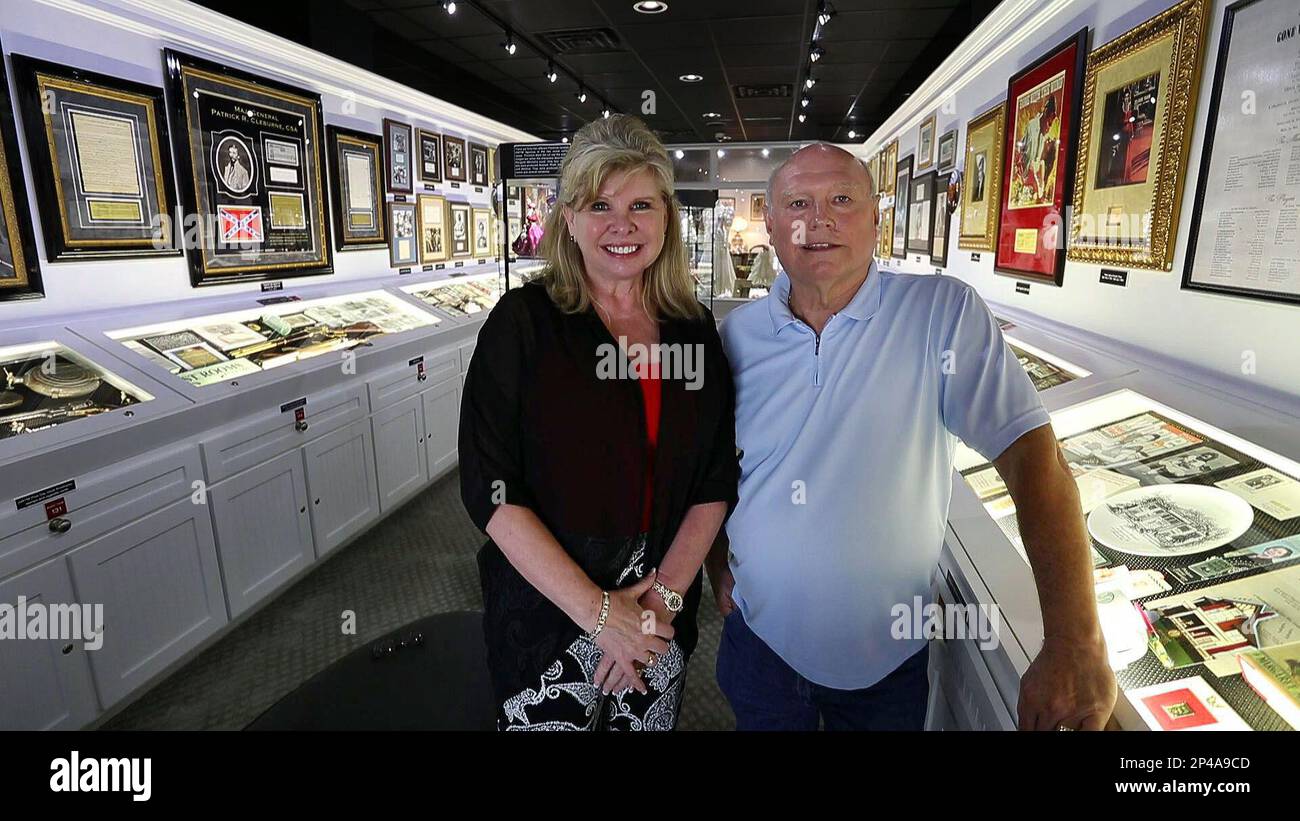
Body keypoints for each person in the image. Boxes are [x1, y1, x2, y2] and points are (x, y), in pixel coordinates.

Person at [709, 142, 1115, 731]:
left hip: (886, 660)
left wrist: (1076, 642)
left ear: (877, 218)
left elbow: (1035, 462)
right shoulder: (736, 336)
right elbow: (712, 469)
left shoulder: (941, 313)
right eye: (798, 203)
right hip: (761, 644)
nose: (819, 220)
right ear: (770, 224)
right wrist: (716, 561)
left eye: (841, 200)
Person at [459, 114, 739, 731]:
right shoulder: (523, 324)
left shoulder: (691, 326)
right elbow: (490, 486)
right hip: (546, 611)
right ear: (568, 219)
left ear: (667, 216)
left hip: (661, 610)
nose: (622, 224)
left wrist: (661, 599)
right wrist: (600, 614)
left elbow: (716, 478)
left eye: (641, 204)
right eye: (599, 204)